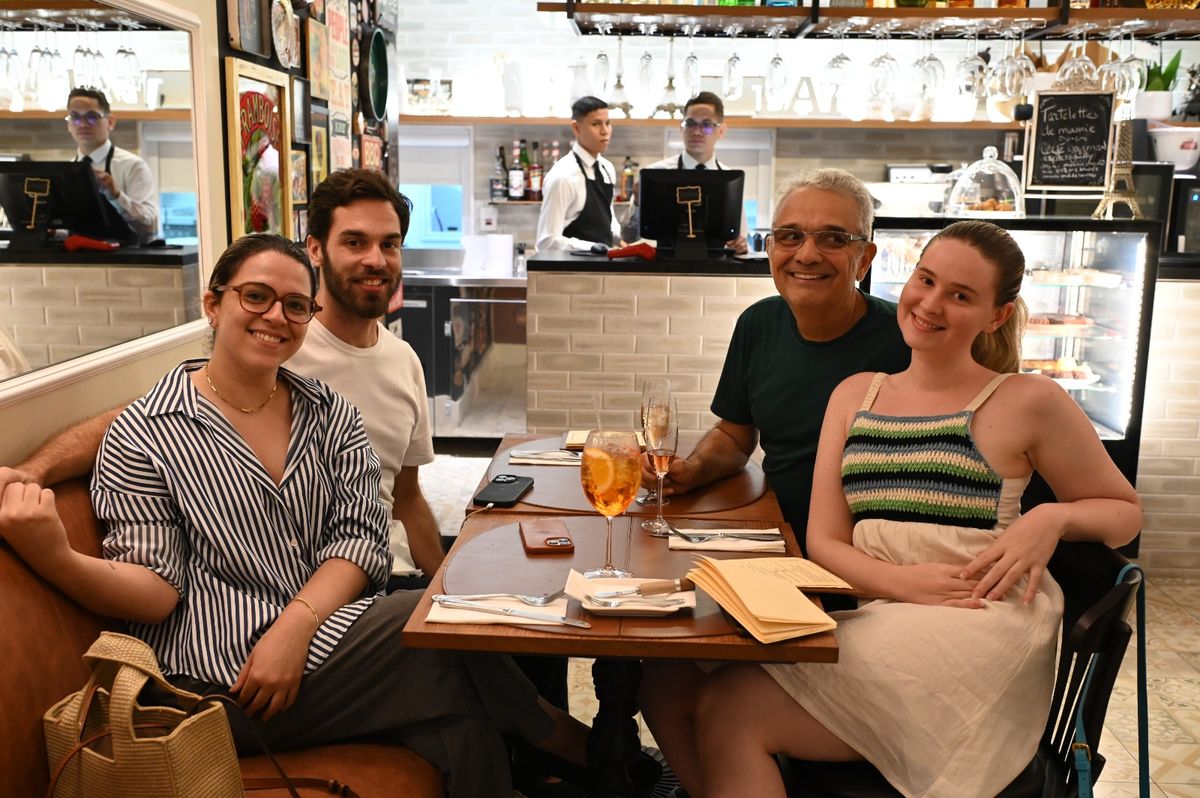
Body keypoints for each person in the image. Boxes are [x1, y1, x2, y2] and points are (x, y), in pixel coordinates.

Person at [0, 234, 587, 798]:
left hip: (320, 645)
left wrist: (293, 628)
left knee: (457, 725)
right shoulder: (146, 432)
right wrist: (55, 555)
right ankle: (566, 741)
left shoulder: (331, 414)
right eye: (255, 296)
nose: (275, 316)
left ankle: (560, 758)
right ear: (213, 304)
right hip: (215, 685)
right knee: (427, 618)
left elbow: (360, 542)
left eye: (297, 306)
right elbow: (155, 592)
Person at [638, 220, 1143, 798]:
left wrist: (1051, 518)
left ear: (995, 316)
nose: (930, 304)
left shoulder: (1027, 399)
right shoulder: (856, 394)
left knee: (732, 707)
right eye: (925, 281)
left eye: (960, 295)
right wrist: (903, 584)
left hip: (977, 621)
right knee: (666, 678)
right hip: (887, 610)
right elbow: (826, 542)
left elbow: (1124, 512)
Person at [645, 168, 910, 551]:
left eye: (834, 239)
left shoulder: (907, 342)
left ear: (864, 258)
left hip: (871, 558)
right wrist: (694, 470)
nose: (806, 254)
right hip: (772, 536)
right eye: (790, 236)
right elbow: (735, 435)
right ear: (770, 249)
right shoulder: (758, 323)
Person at [619, 92, 748, 255]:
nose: (697, 131)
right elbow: (628, 237)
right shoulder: (656, 174)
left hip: (716, 273)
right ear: (682, 128)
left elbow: (740, 238)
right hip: (664, 271)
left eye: (706, 124)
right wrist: (637, 205)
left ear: (721, 131)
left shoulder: (731, 181)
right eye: (690, 123)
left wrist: (740, 245)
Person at [65, 86, 159, 241]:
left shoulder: (132, 166)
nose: (82, 124)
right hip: (77, 262)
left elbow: (149, 226)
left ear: (110, 121)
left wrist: (115, 195)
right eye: (75, 117)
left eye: (92, 117)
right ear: (69, 125)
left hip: (127, 262)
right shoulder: (66, 172)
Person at [535, 96, 620, 253]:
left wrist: (618, 239)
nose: (605, 131)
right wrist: (592, 247)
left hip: (604, 270)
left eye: (608, 123)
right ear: (576, 128)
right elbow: (546, 241)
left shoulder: (607, 168)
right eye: (596, 124)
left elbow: (607, 218)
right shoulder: (563, 177)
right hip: (573, 274)